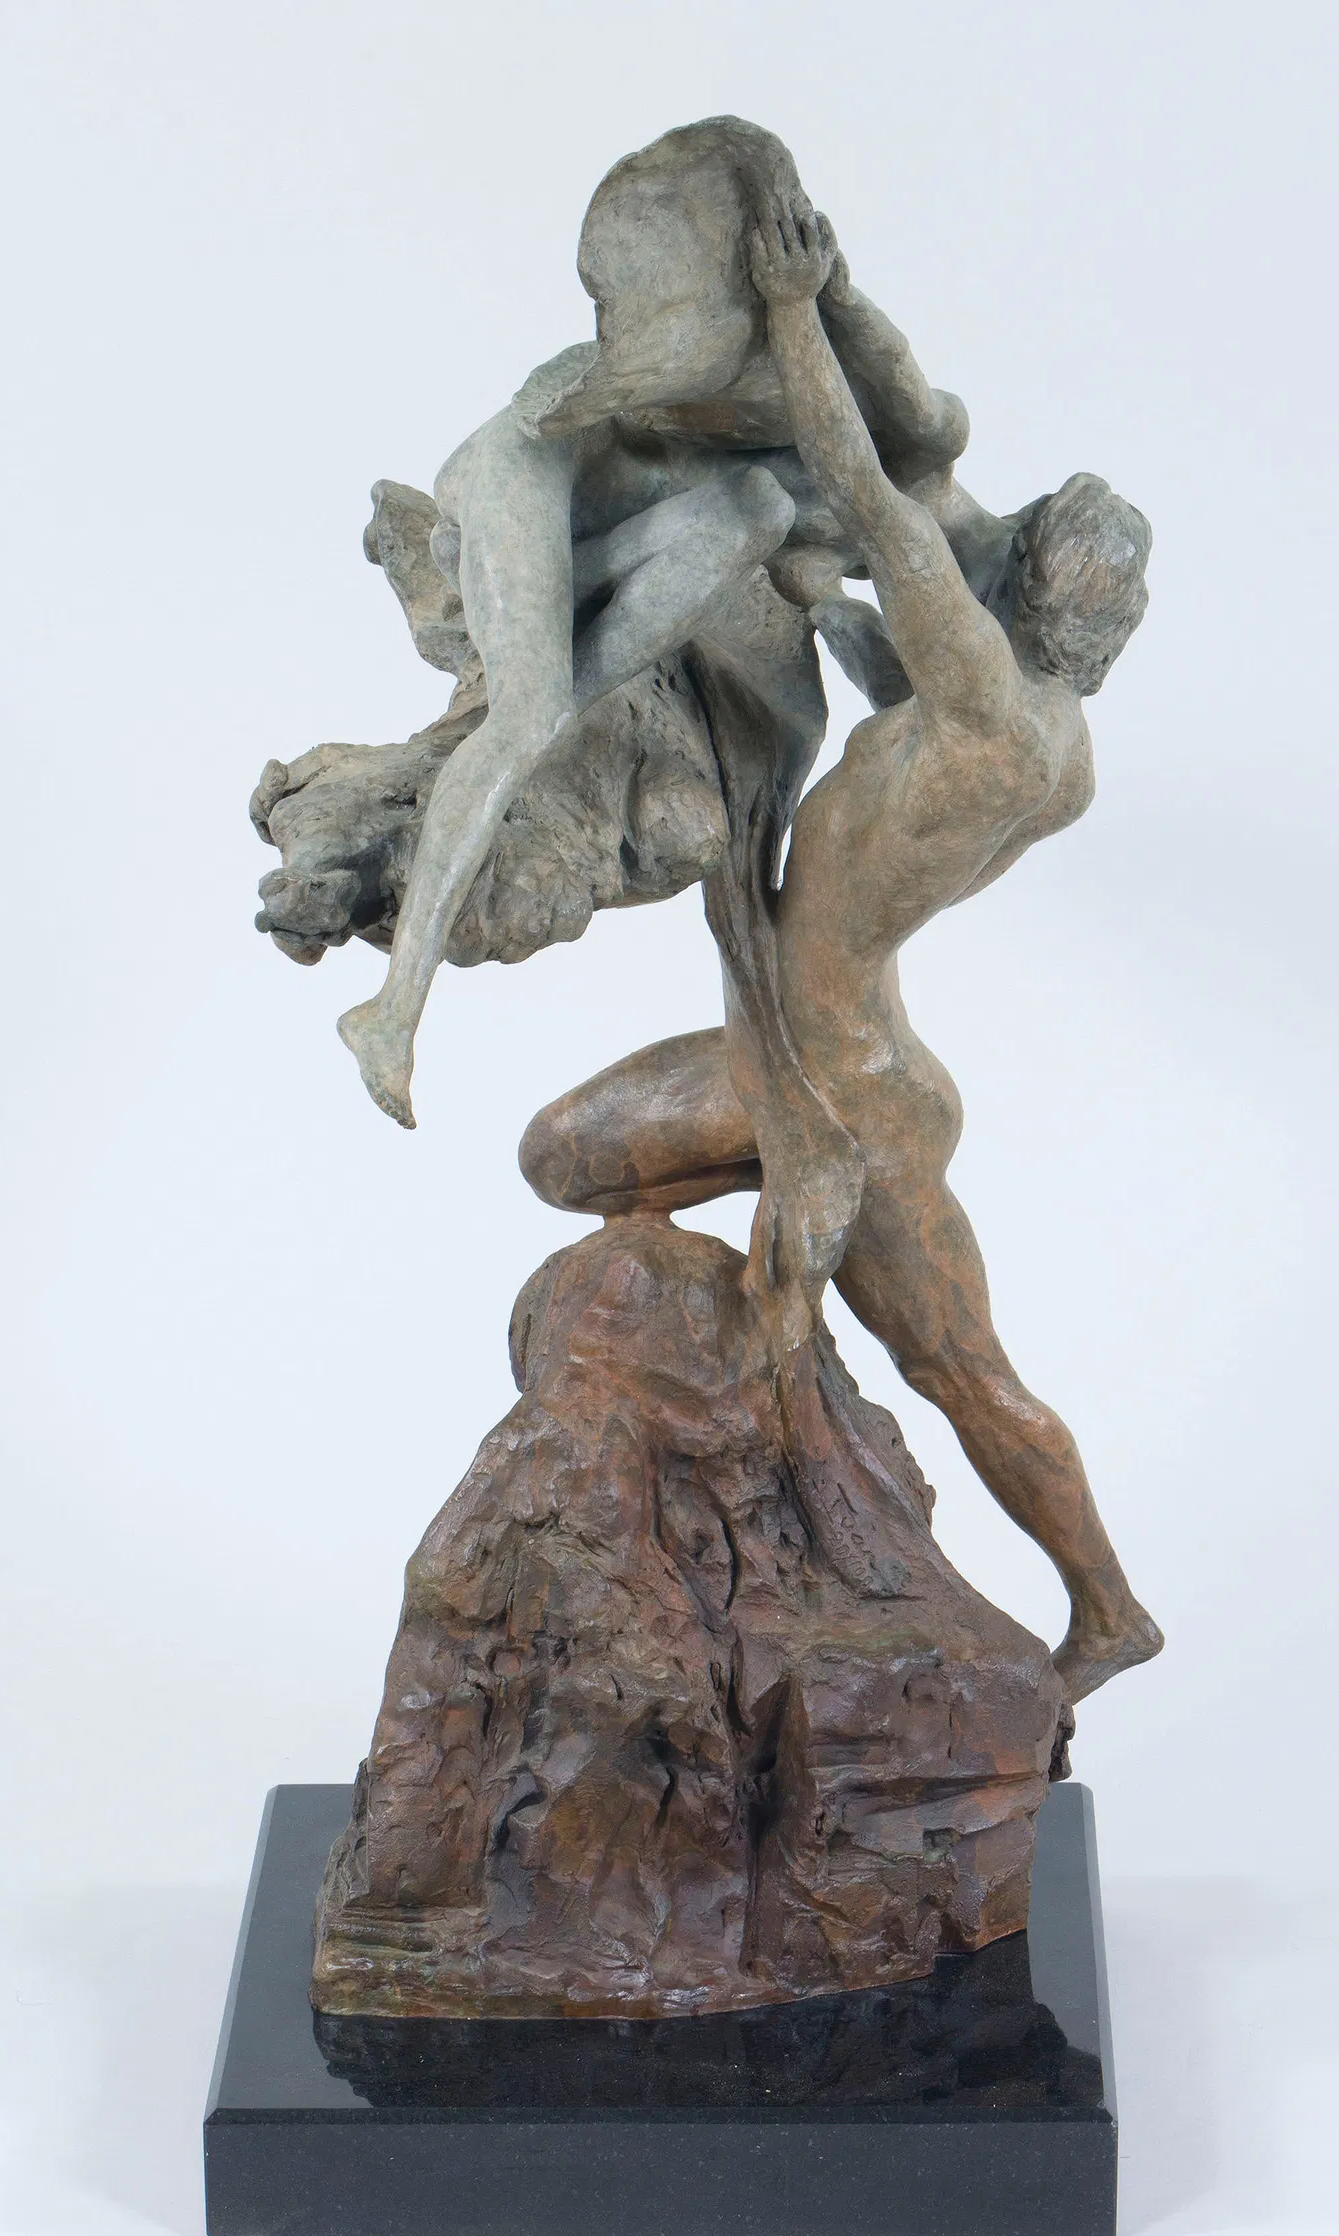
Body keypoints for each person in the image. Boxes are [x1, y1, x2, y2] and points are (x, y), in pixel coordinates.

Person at [519, 210, 1162, 1705]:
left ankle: (1094, 1606)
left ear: (1031, 587)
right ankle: (785, 1374)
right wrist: (831, 612)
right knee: (585, 1170)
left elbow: (873, 490)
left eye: (1006, 550)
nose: (980, 550)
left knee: (949, 1366)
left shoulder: (989, 700)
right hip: (843, 1056)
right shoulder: (1048, 744)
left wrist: (801, 310)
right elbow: (906, 726)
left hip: (835, 1092)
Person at [333, 123, 968, 1130]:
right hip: (524, 483)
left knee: (752, 528)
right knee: (529, 713)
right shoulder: (766, 390)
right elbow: (924, 431)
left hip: (613, 547)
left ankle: (550, 679)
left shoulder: (806, 432)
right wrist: (823, 298)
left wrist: (832, 301)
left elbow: (921, 441)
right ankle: (389, 1012)